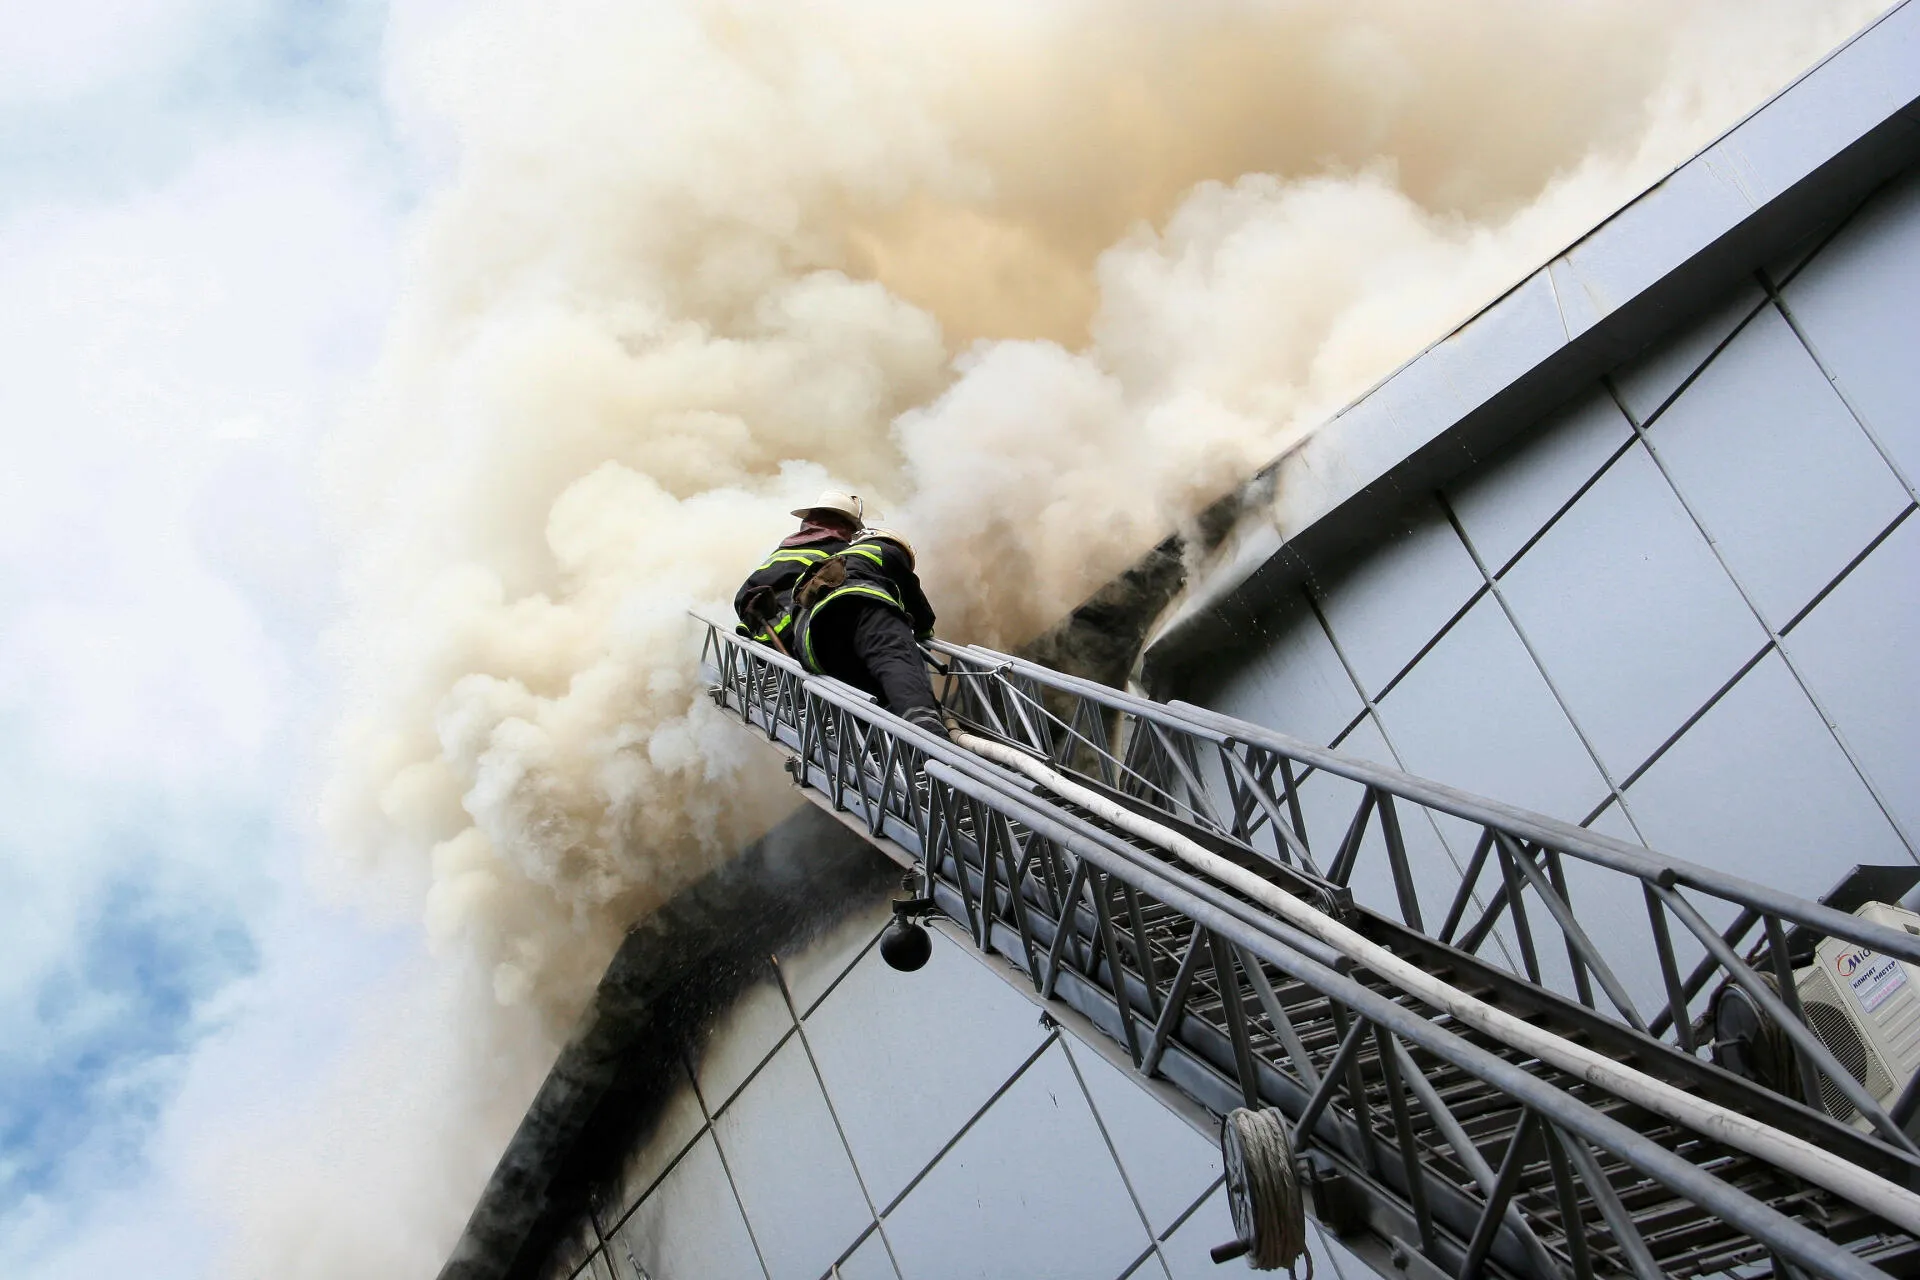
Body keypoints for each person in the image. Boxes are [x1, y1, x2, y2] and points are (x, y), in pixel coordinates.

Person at [790, 526, 947, 738]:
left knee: (867, 686)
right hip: (858, 603)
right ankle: (930, 736)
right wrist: (921, 632)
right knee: (894, 656)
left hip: (813, 643)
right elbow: (919, 610)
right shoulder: (886, 549)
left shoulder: (830, 561)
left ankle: (878, 738)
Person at [733, 489, 864, 651]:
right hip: (792, 645)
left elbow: (742, 596)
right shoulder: (840, 554)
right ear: (844, 525)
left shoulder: (787, 546)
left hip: (758, 643)